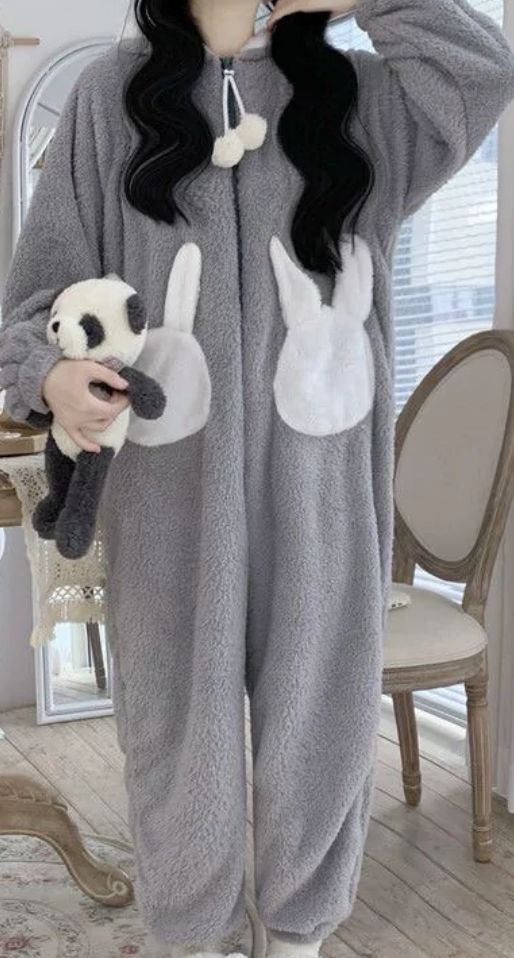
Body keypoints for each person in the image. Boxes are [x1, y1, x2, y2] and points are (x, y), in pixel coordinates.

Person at [1, 0, 514, 955]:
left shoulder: (360, 97)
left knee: (319, 717)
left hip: (321, 489)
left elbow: (482, 66)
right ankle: (192, 936)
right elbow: (35, 301)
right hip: (167, 491)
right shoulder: (110, 99)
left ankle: (298, 936)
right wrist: (51, 376)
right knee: (174, 726)